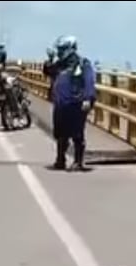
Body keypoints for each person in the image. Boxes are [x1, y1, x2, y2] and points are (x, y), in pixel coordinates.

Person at [48, 35, 96, 172]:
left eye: (62, 49)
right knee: (60, 134)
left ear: (70, 48)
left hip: (76, 104)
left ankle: (78, 161)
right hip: (61, 104)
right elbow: (48, 71)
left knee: (77, 134)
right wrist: (50, 59)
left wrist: (87, 98)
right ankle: (60, 159)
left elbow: (89, 82)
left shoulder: (82, 63)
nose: (59, 52)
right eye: (58, 49)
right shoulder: (59, 64)